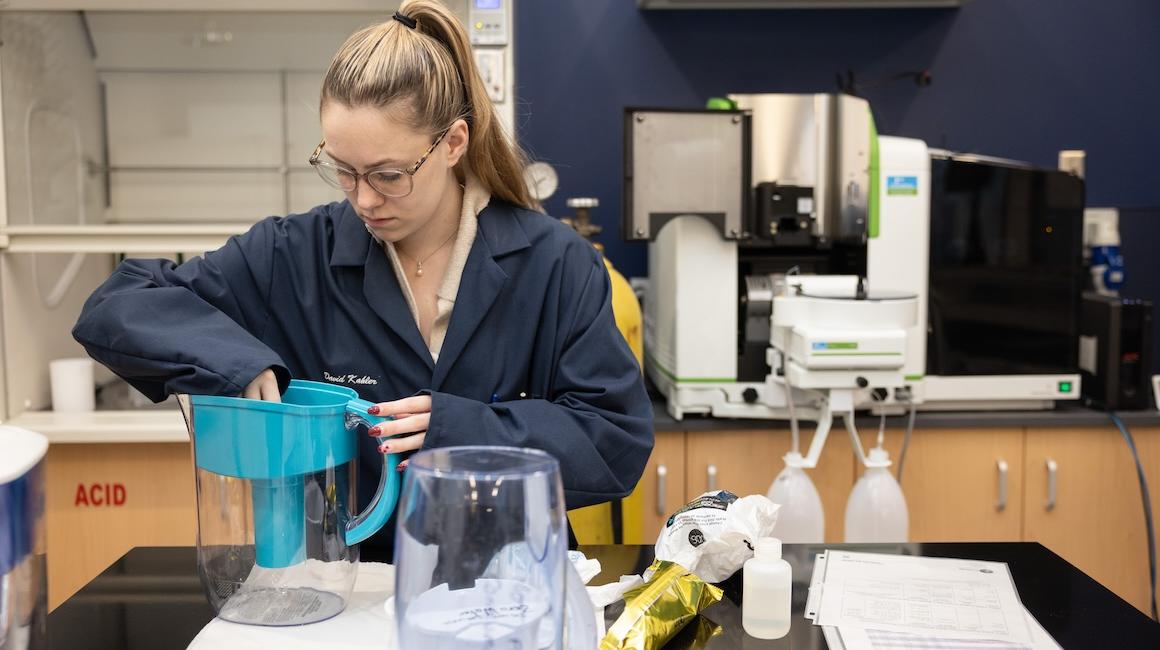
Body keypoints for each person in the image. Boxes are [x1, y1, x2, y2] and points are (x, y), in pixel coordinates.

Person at [72, 0, 653, 552]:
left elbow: (614, 443)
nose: (364, 200)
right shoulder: (291, 255)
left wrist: (462, 429)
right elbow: (118, 305)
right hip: (347, 590)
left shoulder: (555, 263)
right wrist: (236, 362)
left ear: (453, 143)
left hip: (510, 581)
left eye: (388, 174)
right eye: (343, 170)